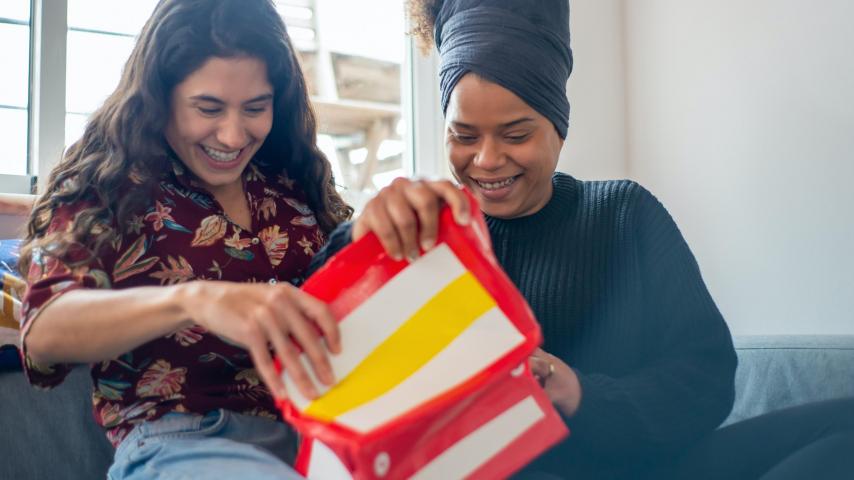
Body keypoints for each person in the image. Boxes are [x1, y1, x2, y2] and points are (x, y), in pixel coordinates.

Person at [308, 0, 854, 478]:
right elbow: (309, 339)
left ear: (558, 127)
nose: (487, 160)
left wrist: (579, 392)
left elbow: (707, 380)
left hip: (657, 466)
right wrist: (357, 236)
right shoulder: (427, 235)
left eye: (517, 134)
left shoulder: (622, 213)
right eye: (463, 136)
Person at [18, 1, 349, 478]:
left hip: (323, 437)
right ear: (160, 95)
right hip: (182, 444)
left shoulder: (290, 182)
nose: (234, 135)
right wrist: (191, 300)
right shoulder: (112, 182)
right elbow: (44, 334)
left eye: (256, 108)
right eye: (208, 108)